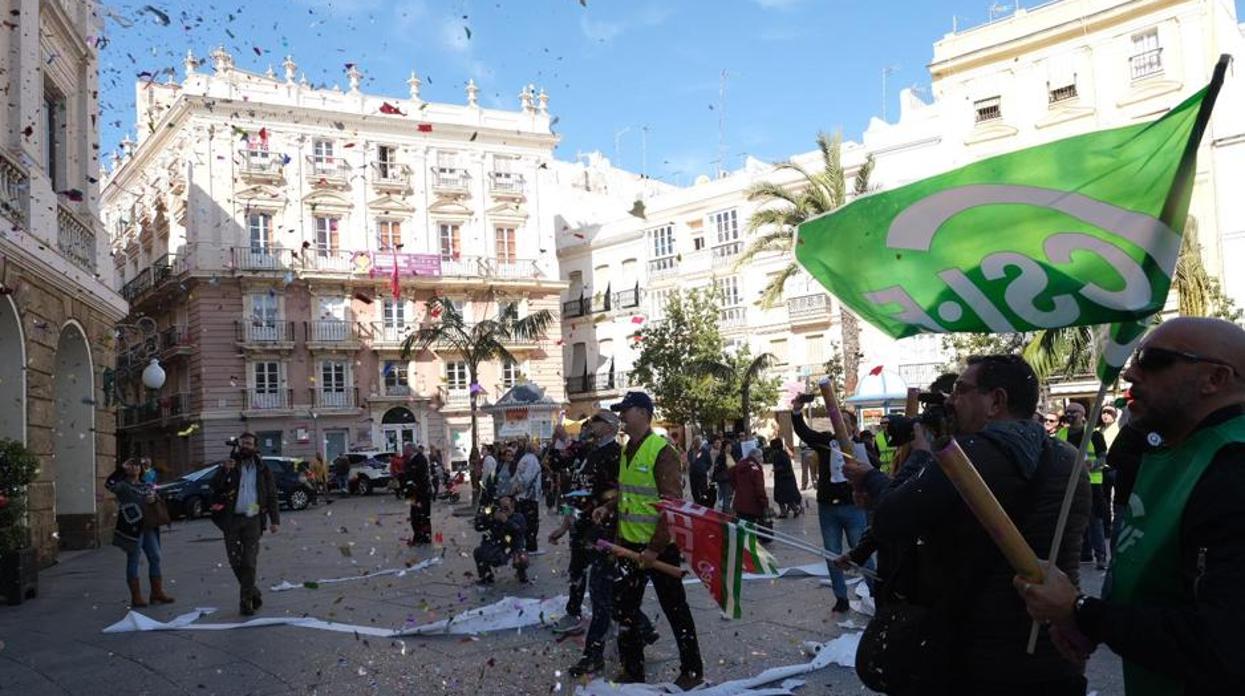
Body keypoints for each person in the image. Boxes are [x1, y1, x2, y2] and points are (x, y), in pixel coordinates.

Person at [1016, 318, 1245, 696]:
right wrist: (1091, 623)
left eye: (1154, 360)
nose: (1131, 372)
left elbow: (1221, 643)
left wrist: (1080, 610)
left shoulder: (1233, 467)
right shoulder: (1176, 454)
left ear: (1216, 379)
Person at [845, 355, 1091, 694]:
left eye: (961, 391)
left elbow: (890, 518)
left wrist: (912, 456)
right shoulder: (1067, 456)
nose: (950, 401)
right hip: (1054, 649)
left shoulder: (969, 456)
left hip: (981, 655)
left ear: (996, 401)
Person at [596, 391, 703, 690]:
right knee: (624, 609)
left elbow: (671, 506)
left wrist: (655, 550)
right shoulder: (627, 449)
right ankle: (633, 670)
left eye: (626, 411)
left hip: (659, 549)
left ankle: (692, 671)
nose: (621, 417)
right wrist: (609, 506)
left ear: (643, 413)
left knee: (675, 609)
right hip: (629, 546)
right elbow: (629, 490)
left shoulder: (662, 450)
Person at [791, 393, 873, 613]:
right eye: (838, 422)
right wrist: (797, 411)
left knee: (862, 552)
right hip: (828, 508)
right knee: (832, 553)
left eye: (845, 422)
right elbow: (804, 432)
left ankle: (876, 594)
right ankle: (841, 597)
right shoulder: (827, 442)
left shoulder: (861, 446)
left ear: (854, 427)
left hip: (853, 508)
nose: (841, 426)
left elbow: (874, 469)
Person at [211, 433, 280, 616]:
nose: (245, 446)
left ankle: (245, 602)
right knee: (235, 561)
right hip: (232, 519)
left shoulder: (262, 467)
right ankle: (253, 592)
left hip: (253, 519)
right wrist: (224, 471)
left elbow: (271, 494)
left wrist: (275, 520)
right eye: (243, 443)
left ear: (256, 447)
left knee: (249, 562)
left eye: (249, 444)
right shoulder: (230, 464)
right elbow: (214, 486)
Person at [108, 458, 174, 607]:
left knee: (155, 557)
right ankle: (136, 597)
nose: (135, 468)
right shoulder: (123, 486)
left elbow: (157, 500)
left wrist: (154, 500)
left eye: (137, 466)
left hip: (148, 526)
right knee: (134, 559)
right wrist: (120, 469)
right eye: (131, 466)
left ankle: (157, 593)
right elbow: (109, 485)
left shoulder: (147, 485)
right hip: (132, 528)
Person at [1059, 401, 1110, 571]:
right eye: (1068, 412)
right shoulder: (1061, 434)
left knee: (1095, 520)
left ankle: (1101, 556)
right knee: (1074, 520)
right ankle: (1083, 554)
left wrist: (1092, 464)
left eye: (1074, 412)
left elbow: (1103, 458)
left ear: (1083, 414)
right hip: (1068, 483)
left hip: (1092, 483)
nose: (1070, 415)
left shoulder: (1094, 435)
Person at [473, 495, 529, 584]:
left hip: (514, 546)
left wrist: (506, 521)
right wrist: (484, 517)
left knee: (521, 557)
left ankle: (521, 572)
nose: (503, 511)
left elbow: (518, 530)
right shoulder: (495, 516)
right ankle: (487, 576)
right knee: (479, 552)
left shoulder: (518, 517)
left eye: (506, 508)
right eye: (501, 508)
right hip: (499, 547)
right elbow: (479, 527)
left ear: (512, 507)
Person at [730, 448, 770, 534]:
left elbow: (731, 476)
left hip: (739, 503)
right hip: (752, 504)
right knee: (750, 528)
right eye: (760, 457)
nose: (762, 459)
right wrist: (764, 503)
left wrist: (738, 488)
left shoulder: (739, 465)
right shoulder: (756, 469)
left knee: (741, 528)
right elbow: (759, 488)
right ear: (755, 457)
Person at [404, 444, 432, 545]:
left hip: (421, 494)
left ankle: (425, 537)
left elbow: (420, 476)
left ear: (411, 450)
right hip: (412, 495)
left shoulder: (420, 459)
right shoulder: (409, 460)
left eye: (406, 449)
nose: (404, 451)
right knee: (414, 516)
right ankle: (418, 536)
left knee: (423, 515)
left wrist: (412, 482)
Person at [769, 438, 802, 518]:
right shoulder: (778, 454)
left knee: (787, 497)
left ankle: (795, 509)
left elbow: (785, 466)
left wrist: (776, 469)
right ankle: (784, 512)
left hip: (785, 479)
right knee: (780, 497)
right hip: (781, 479)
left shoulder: (782, 454)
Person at [710, 436, 735, 512]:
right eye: (728, 446)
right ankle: (726, 513)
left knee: (729, 497)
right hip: (725, 480)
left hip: (731, 479)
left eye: (730, 446)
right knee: (726, 497)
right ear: (725, 447)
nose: (730, 448)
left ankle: (726, 511)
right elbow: (718, 468)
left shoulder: (730, 455)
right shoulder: (721, 456)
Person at [688, 438, 713, 507]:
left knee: (703, 490)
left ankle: (703, 504)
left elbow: (709, 462)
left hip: (701, 474)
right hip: (693, 474)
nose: (697, 443)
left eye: (698, 442)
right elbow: (689, 461)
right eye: (695, 442)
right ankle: (697, 503)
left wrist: (704, 468)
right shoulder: (691, 451)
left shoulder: (705, 451)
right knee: (694, 490)